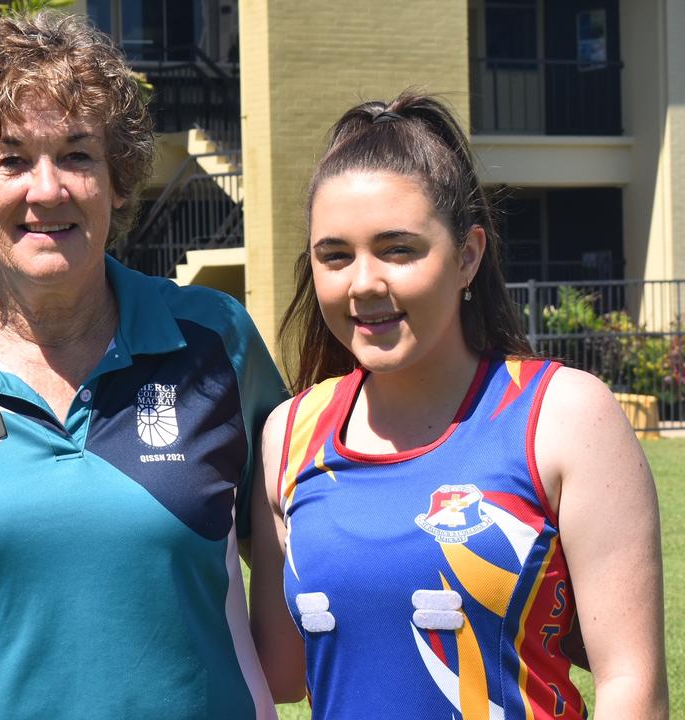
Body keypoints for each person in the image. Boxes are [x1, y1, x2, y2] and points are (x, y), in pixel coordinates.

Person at [0, 11, 288, 719]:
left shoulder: (215, 342)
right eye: (11, 160)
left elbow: (308, 568)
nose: (47, 190)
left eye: (77, 155)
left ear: (119, 180)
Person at [255, 92, 669, 718]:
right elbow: (283, 673)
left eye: (398, 249)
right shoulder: (288, 435)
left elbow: (630, 685)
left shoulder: (562, 416)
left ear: (468, 255)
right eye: (334, 255)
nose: (364, 282)